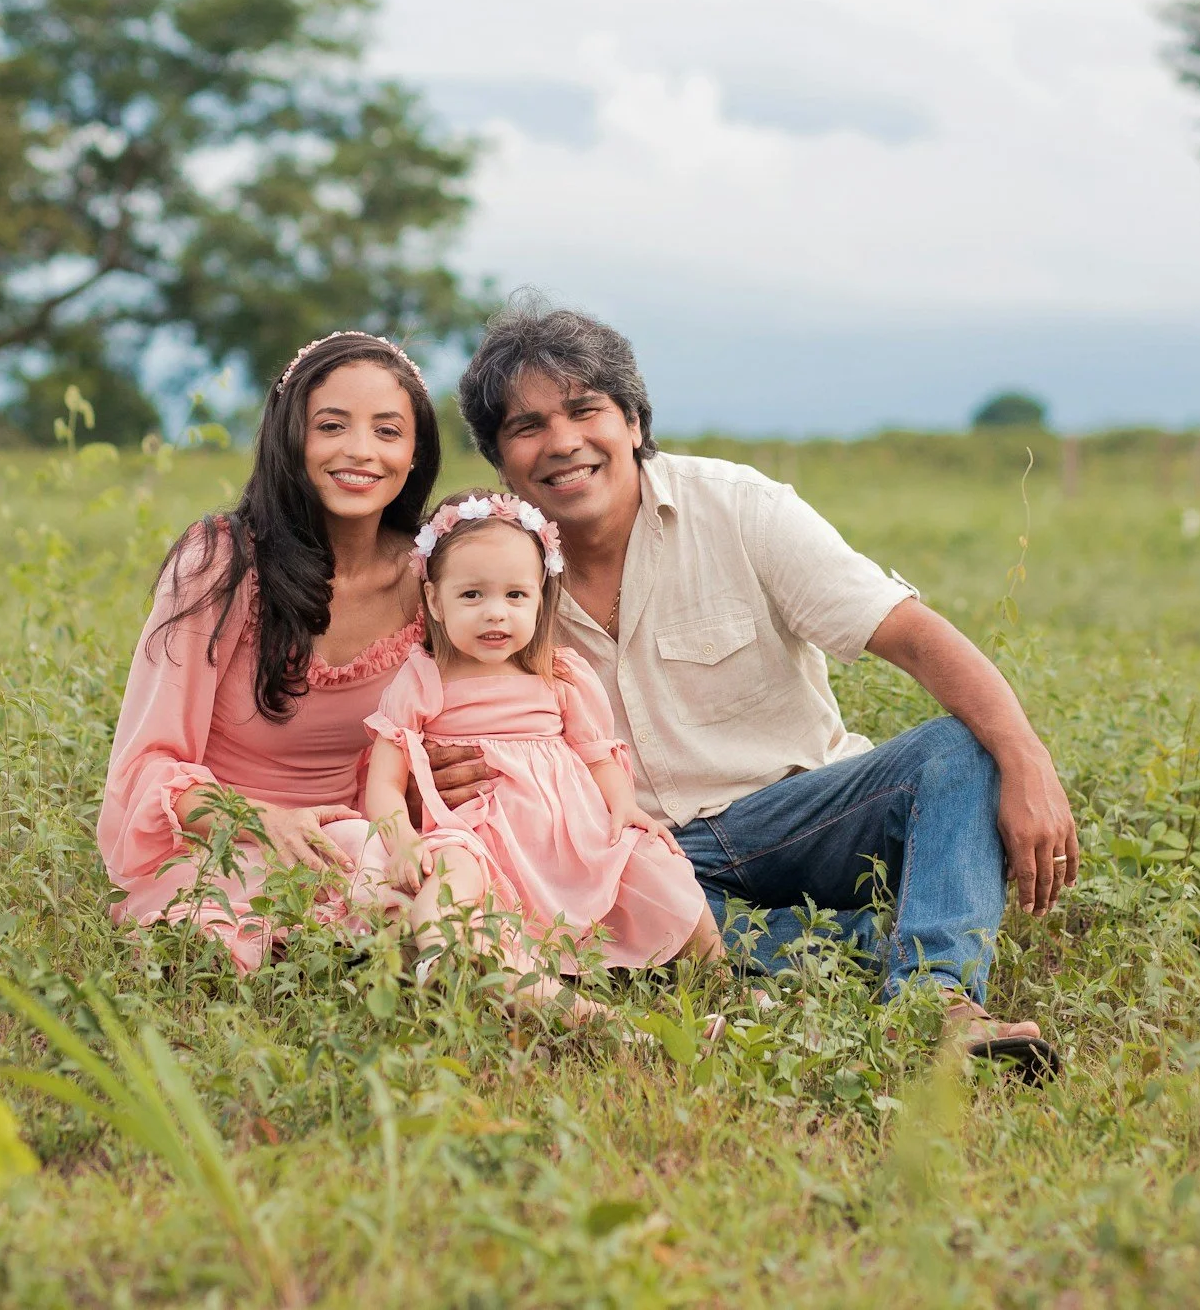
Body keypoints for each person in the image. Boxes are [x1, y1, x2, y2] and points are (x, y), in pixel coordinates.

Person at [433, 297, 1078, 1079]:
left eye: (584, 410)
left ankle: (936, 1000)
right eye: (527, 426)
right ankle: (871, 942)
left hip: (805, 812)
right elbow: (424, 707)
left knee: (958, 753)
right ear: (501, 459)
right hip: (641, 853)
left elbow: (912, 633)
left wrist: (1027, 757)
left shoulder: (740, 507)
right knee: (565, 916)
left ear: (633, 421)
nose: (563, 442)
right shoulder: (485, 570)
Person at [97, 331, 438, 969]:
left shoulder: (432, 576)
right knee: (212, 938)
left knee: (443, 917)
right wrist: (263, 821)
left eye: (388, 431)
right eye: (331, 425)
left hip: (354, 839)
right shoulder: (221, 562)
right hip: (220, 841)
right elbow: (145, 767)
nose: (360, 451)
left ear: (416, 452)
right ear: (289, 438)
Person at [359, 489, 721, 1021]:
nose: (495, 614)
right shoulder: (424, 678)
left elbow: (598, 755)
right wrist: (403, 840)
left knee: (660, 868)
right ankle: (515, 989)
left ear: (540, 596)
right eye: (472, 596)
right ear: (435, 601)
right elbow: (385, 781)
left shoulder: (558, 674)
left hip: (572, 836)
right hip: (478, 837)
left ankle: (719, 980)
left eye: (515, 596)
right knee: (449, 898)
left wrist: (624, 809)